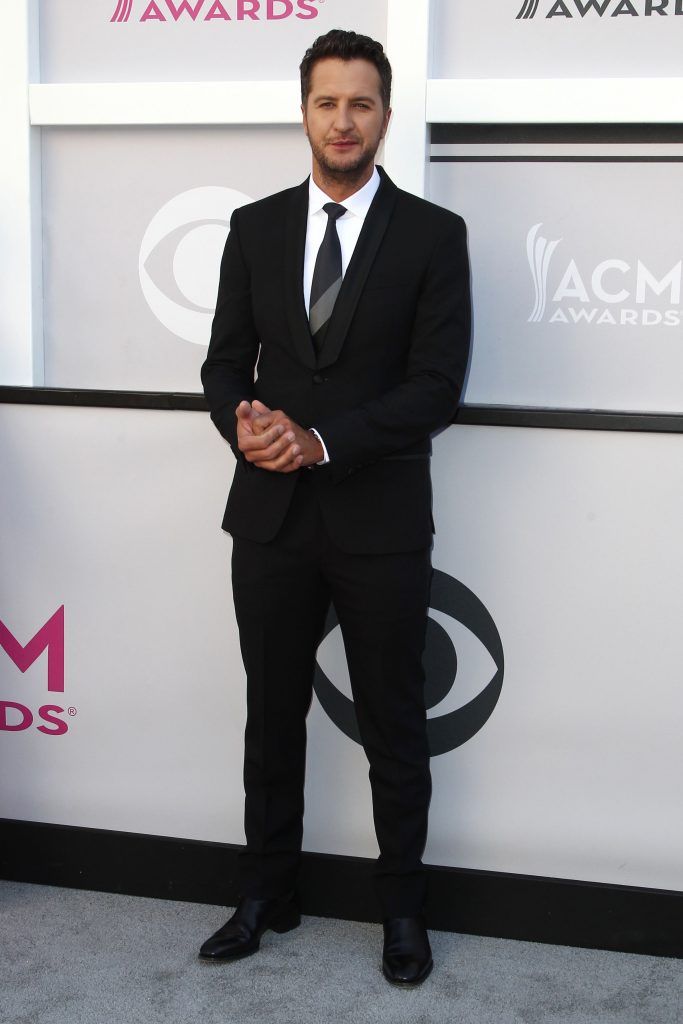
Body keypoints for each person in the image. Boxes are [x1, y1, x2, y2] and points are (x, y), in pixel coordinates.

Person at [199, 28, 471, 986]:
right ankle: (266, 894)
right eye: (327, 102)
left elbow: (438, 386)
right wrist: (245, 422)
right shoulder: (254, 226)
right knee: (269, 719)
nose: (343, 120)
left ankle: (402, 911)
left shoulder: (436, 237)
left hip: (379, 520)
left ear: (385, 117)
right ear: (303, 111)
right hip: (268, 516)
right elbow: (226, 358)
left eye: (361, 103)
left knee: (394, 723)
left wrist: (322, 440)